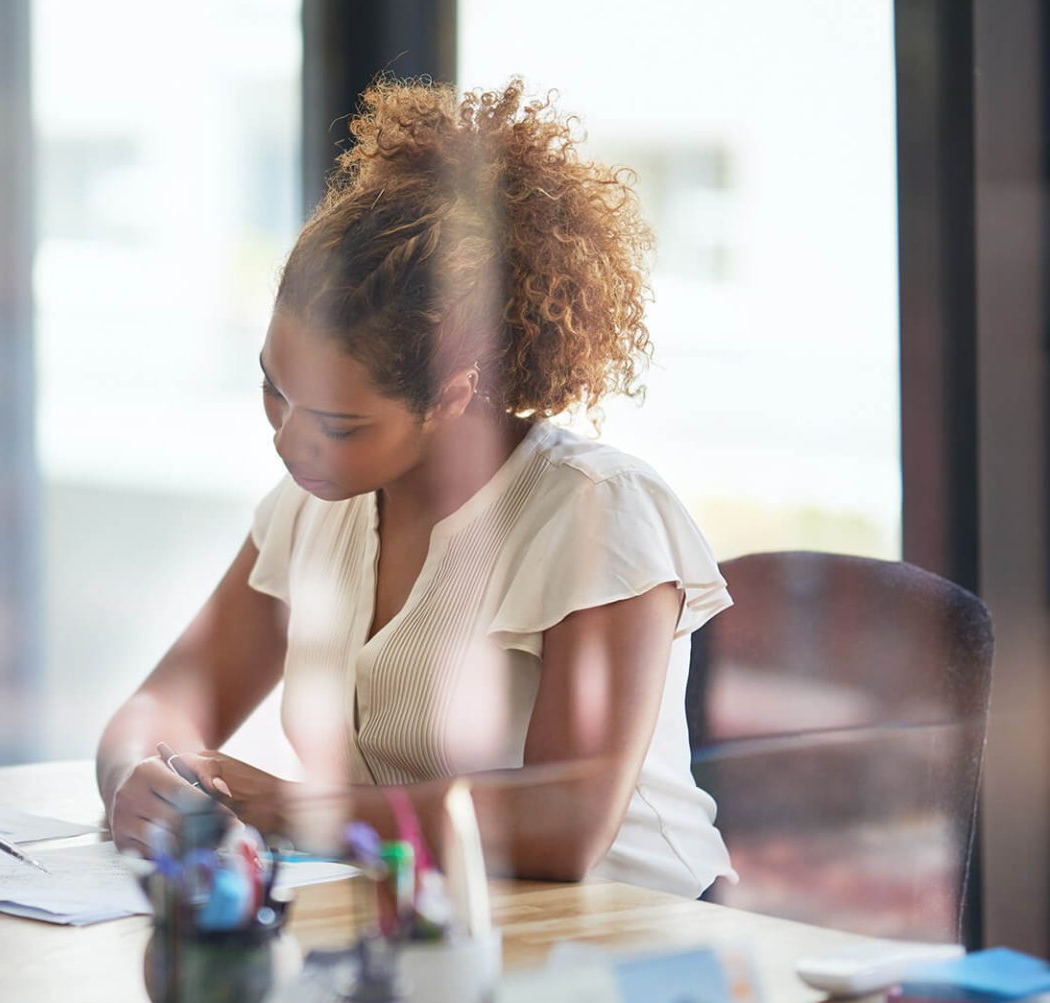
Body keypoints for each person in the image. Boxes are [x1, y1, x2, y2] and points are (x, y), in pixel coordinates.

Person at [96, 78, 736, 898]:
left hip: (632, 942)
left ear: (452, 395)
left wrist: (296, 809)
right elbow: (160, 705)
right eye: (273, 390)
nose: (289, 441)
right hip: (434, 929)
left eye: (339, 423)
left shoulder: (594, 510)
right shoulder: (310, 510)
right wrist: (138, 776)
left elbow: (566, 824)